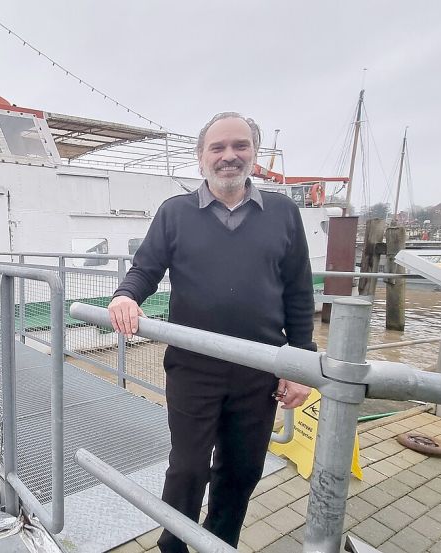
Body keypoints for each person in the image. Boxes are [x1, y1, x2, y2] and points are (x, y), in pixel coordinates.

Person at [108, 112, 315, 552]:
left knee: (241, 471)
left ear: (254, 155)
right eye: (217, 148)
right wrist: (126, 296)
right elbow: (145, 269)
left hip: (258, 369)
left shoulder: (283, 212)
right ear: (200, 159)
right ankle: (175, 546)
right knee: (187, 469)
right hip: (192, 367)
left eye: (240, 146)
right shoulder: (175, 213)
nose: (229, 156)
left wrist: (300, 365)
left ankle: (219, 544)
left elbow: (298, 293)